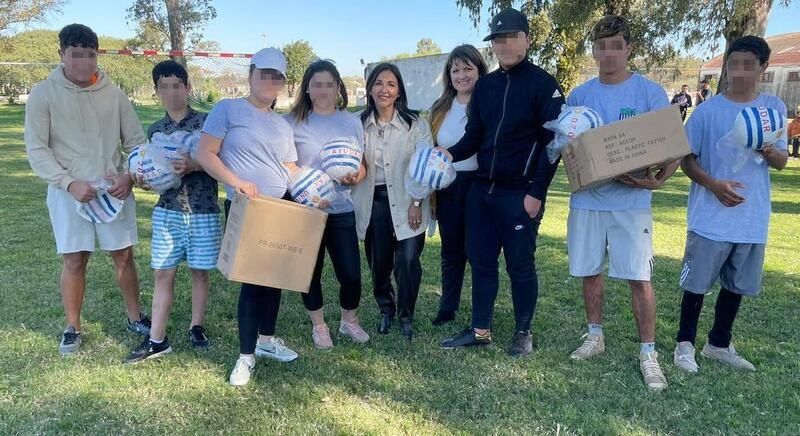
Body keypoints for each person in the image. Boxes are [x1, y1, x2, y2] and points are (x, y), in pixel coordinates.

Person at [438, 8, 565, 357]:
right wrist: (447, 153)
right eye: (497, 39)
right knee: (481, 261)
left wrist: (537, 193)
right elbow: (474, 135)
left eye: (510, 37)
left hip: (520, 193)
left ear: (526, 39)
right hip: (482, 191)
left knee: (520, 265)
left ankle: (523, 331)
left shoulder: (544, 85)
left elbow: (554, 145)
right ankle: (480, 329)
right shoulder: (487, 86)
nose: (504, 44)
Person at [563, 15, 678, 391]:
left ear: (628, 49)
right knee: (590, 271)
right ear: (594, 51)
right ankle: (595, 336)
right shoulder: (580, 97)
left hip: (632, 203)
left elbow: (674, 143)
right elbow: (568, 150)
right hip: (589, 202)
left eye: (617, 46)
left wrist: (659, 178)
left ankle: (648, 352)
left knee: (639, 278)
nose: (609, 53)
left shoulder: (648, 93)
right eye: (602, 46)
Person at [24, 23, 151, 356]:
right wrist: (69, 182)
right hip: (69, 191)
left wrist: (129, 177)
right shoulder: (43, 94)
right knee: (74, 260)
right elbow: (37, 149)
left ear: (97, 55)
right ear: (62, 54)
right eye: (76, 54)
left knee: (123, 255)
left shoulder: (114, 93)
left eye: (90, 54)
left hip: (113, 189)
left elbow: (137, 142)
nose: (84, 62)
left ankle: (136, 317)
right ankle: (72, 327)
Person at [674, 35, 788, 374]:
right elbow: (687, 159)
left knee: (736, 285)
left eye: (748, 66)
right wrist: (714, 185)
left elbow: (781, 161)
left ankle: (719, 343)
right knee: (696, 285)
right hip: (710, 217)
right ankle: (685, 345)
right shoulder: (708, 111)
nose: (739, 72)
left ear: (763, 68)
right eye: (734, 64)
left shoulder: (774, 110)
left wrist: (770, 150)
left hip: (752, 217)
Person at [195, 48, 303, 386]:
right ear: (251, 74)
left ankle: (267, 341)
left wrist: (312, 188)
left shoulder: (282, 124)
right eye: (265, 74)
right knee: (254, 282)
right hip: (247, 206)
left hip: (280, 206)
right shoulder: (228, 109)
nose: (271, 82)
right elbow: (204, 153)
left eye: (278, 77)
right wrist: (237, 183)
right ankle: (245, 357)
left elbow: (289, 168)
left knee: (275, 279)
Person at [122, 60, 220, 364]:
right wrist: (147, 181)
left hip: (203, 209)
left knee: (199, 272)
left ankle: (196, 326)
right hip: (168, 211)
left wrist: (193, 164)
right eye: (164, 86)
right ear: (156, 91)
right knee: (163, 273)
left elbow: (224, 163)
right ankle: (157, 339)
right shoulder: (155, 130)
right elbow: (149, 170)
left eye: (177, 85)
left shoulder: (208, 124)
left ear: (187, 88)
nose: (171, 92)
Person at [285, 60, 370, 349]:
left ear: (338, 88)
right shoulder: (291, 122)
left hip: (341, 209)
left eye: (329, 84)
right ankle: (319, 326)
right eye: (317, 84)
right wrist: (303, 190)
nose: (323, 90)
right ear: (307, 88)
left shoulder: (351, 121)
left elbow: (362, 165)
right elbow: (284, 166)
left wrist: (353, 177)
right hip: (306, 212)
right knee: (310, 273)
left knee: (351, 274)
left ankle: (349, 321)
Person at [351, 63, 432, 339]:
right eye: (378, 83)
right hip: (372, 203)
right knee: (379, 262)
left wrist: (417, 202)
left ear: (399, 92)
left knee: (409, 260)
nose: (384, 89)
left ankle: (406, 314)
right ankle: (386, 309)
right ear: (370, 89)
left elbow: (425, 165)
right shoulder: (358, 125)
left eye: (391, 84)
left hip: (409, 201)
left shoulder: (415, 124)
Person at [427, 45, 488, 326]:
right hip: (448, 187)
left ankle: (481, 310)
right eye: (455, 70)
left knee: (478, 251)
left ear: (479, 70)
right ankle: (448, 306)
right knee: (451, 251)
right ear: (448, 76)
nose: (461, 75)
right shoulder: (440, 109)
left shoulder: (488, 103)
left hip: (479, 184)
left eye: (467, 68)